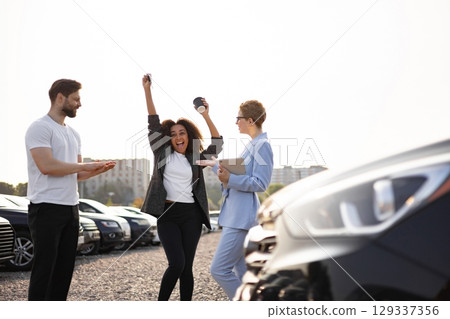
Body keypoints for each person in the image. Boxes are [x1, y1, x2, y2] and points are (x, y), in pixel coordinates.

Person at [25, 79, 116, 301]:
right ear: (60, 97)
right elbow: (47, 167)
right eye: (76, 99)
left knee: (64, 271)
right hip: (45, 208)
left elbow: (77, 174)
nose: (79, 104)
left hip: (70, 209)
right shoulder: (39, 127)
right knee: (44, 270)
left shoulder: (74, 134)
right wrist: (86, 166)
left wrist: (98, 170)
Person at [140, 74, 223, 301]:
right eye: (173, 134)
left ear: (189, 136)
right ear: (168, 138)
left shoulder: (195, 158)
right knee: (176, 263)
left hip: (191, 216)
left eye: (182, 133)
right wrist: (147, 91)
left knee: (187, 268)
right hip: (167, 214)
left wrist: (206, 115)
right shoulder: (161, 152)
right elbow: (153, 121)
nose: (178, 137)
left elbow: (217, 143)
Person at [198, 100, 273, 300]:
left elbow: (260, 183)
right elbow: (238, 173)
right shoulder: (252, 145)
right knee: (243, 274)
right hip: (237, 217)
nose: (236, 122)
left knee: (219, 270)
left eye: (238, 118)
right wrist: (215, 166)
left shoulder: (262, 146)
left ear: (250, 120)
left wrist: (229, 179)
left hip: (241, 219)